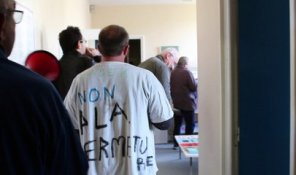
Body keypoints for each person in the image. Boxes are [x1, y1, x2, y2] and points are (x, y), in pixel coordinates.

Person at [64, 24, 174, 175]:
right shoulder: (145, 78)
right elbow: (164, 122)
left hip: (95, 169)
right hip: (137, 168)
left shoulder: (80, 81)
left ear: (99, 48)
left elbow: (71, 126)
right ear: (126, 49)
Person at [0, 0, 88, 174]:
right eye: (13, 15)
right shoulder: (36, 91)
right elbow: (72, 168)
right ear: (2, 23)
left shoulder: (55, 67)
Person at [53, 26, 101, 99]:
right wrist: (96, 57)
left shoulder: (56, 64)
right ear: (79, 44)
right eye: (85, 42)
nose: (86, 45)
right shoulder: (86, 61)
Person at [170, 56, 198, 148]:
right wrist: (197, 81)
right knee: (190, 124)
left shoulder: (173, 72)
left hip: (177, 103)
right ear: (186, 64)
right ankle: (187, 145)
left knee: (177, 124)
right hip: (187, 103)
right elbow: (193, 87)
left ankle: (176, 144)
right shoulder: (187, 72)